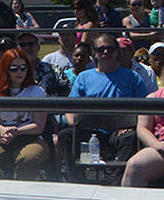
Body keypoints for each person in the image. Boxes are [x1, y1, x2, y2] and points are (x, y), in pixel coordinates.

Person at [60, 32, 151, 177]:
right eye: (101, 49)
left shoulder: (133, 77)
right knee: (66, 135)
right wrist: (74, 123)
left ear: (117, 52)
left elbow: (144, 108)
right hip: (90, 131)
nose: (106, 52)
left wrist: (133, 125)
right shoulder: (83, 77)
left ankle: (118, 179)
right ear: (94, 53)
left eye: (110, 49)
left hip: (120, 132)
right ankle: (76, 180)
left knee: (132, 137)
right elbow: (71, 107)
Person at [0, 49, 50, 180]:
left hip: (30, 139)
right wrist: (2, 130)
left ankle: (21, 190)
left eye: (23, 68)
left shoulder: (37, 92)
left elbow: (39, 125)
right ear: (5, 69)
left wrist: (17, 132)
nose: (19, 72)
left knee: (29, 158)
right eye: (14, 68)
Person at [121, 87, 164, 188]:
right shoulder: (153, 98)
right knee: (135, 165)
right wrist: (156, 144)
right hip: (161, 147)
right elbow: (142, 128)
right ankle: (130, 198)